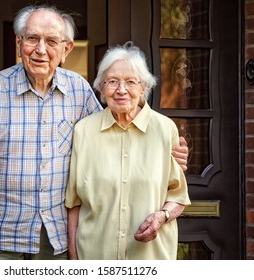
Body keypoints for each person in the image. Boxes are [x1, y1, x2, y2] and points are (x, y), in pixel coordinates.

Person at [0, 5, 189, 260]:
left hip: (53, 238)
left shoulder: (78, 90)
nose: (40, 50)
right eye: (32, 38)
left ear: (66, 49)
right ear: (19, 43)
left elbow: (112, 133)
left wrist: (165, 152)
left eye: (51, 41)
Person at [65, 41, 191, 260]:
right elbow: (74, 204)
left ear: (143, 87)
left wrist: (162, 216)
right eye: (112, 81)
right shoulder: (84, 131)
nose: (121, 90)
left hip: (150, 259)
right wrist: (74, 260)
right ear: (101, 88)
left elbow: (178, 196)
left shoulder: (164, 129)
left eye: (130, 82)